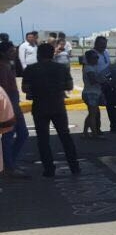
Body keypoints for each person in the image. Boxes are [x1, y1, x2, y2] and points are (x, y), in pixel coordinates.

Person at [21, 43, 80, 177]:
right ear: (52, 53)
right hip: (58, 105)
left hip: (40, 106)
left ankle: (49, 169)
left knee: (43, 139)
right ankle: (74, 166)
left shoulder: (31, 69)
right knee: (65, 137)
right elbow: (69, 85)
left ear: (39, 54)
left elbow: (25, 88)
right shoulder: (61, 68)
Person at [0, 41, 30, 178]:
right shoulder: (2, 67)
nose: (14, 53)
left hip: (14, 103)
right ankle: (9, 166)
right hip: (10, 105)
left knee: (20, 134)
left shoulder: (9, 65)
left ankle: (9, 163)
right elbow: (5, 90)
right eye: (11, 51)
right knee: (9, 136)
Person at [80, 50, 105, 139]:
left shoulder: (92, 67)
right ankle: (94, 134)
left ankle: (85, 132)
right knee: (93, 114)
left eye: (97, 57)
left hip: (93, 92)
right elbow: (93, 80)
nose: (97, 59)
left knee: (92, 113)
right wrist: (103, 80)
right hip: (91, 93)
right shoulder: (89, 68)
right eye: (95, 57)